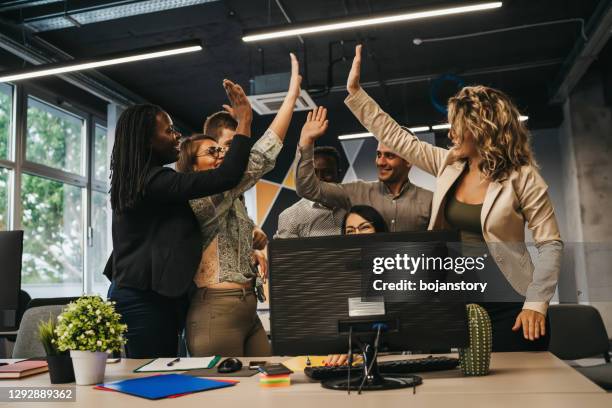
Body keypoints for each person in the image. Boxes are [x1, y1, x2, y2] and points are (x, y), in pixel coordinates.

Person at [344, 45, 563, 351]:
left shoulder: (523, 177)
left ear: (482, 130)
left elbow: (550, 244)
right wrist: (356, 94)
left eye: (457, 127)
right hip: (457, 300)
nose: (451, 134)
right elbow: (397, 137)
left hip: (511, 305)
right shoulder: (449, 165)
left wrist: (536, 303)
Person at [104, 80, 254, 358]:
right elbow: (227, 177)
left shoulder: (143, 180)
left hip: (153, 295)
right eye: (169, 130)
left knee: (159, 373)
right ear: (147, 140)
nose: (177, 135)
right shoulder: (155, 180)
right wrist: (244, 121)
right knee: (149, 378)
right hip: (143, 299)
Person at [178, 53, 302, 357]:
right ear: (192, 166)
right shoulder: (197, 198)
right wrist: (289, 98)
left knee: (269, 391)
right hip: (216, 312)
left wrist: (252, 247)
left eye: (225, 151)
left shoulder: (233, 199)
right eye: (214, 152)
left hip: (248, 308)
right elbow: (261, 156)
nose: (223, 157)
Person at [295, 107, 432, 232]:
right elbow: (306, 188)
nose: (380, 162)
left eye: (389, 155)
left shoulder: (429, 201)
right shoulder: (355, 192)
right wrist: (306, 142)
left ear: (408, 160)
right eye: (379, 154)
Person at [325, 205, 387, 366]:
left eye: (364, 227)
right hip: (354, 359)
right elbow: (331, 325)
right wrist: (340, 347)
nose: (357, 235)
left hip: (392, 355)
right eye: (350, 231)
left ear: (379, 231)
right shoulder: (337, 277)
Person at [203, 111, 269, 250]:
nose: (236, 150)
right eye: (229, 144)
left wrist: (253, 229)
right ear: (212, 147)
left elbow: (235, 219)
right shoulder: (206, 185)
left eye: (238, 144)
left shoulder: (235, 186)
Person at [275, 146, 346, 238]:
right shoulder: (290, 216)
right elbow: (288, 252)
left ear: (339, 175)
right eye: (314, 173)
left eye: (327, 172)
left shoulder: (353, 206)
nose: (319, 179)